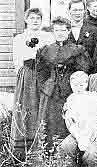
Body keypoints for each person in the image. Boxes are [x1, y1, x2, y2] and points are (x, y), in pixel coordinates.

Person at [36, 17, 91, 148]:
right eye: (57, 30)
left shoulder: (77, 50)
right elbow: (40, 72)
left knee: (71, 121)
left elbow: (83, 70)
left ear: (68, 31)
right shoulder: (46, 50)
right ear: (53, 32)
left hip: (70, 91)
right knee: (51, 122)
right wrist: (46, 85)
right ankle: (49, 154)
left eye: (63, 30)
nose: (60, 33)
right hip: (51, 93)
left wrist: (76, 86)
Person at [11, 8, 54, 158]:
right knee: (27, 107)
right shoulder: (20, 38)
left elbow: (51, 57)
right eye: (32, 18)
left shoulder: (48, 37)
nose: (35, 21)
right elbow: (17, 62)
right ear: (26, 20)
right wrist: (25, 77)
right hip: (27, 76)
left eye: (38, 18)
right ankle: (24, 150)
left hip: (43, 75)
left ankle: (41, 147)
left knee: (41, 107)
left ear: (41, 21)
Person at [62, 71, 97, 152]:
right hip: (77, 125)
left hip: (91, 124)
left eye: (81, 85)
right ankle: (80, 140)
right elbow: (69, 116)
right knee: (72, 134)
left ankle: (86, 144)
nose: (78, 88)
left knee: (91, 136)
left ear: (86, 84)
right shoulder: (71, 99)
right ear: (71, 85)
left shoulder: (92, 96)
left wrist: (93, 120)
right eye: (75, 85)